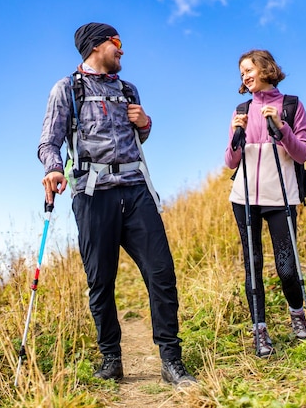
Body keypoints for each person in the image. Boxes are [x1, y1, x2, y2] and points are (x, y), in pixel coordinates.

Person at [37, 22, 196, 386]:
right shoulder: (67, 89)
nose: (122, 49)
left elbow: (139, 134)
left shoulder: (128, 89)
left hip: (136, 189)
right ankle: (112, 359)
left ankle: (171, 360)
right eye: (117, 43)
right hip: (93, 194)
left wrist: (145, 123)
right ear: (96, 46)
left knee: (161, 273)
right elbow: (48, 142)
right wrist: (54, 169)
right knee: (101, 281)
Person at [224, 49, 306, 357]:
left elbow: (302, 153)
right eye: (241, 73)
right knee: (253, 266)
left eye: (249, 69)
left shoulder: (291, 105)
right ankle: (260, 331)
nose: (245, 76)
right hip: (245, 198)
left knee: (287, 268)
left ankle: (297, 315)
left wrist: (281, 128)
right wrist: (238, 134)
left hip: (282, 197)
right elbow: (229, 160)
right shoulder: (242, 109)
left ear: (266, 68)